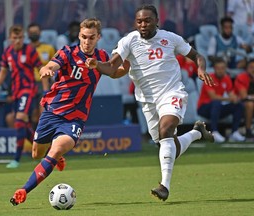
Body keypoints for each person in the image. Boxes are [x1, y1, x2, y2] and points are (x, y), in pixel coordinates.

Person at [85, 4, 215, 201]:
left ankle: (164, 186)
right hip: (147, 101)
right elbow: (112, 68)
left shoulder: (170, 38)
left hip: (172, 92)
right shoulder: (129, 41)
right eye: (139, 21)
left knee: (166, 132)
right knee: (167, 144)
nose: (143, 24)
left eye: (147, 20)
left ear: (156, 21)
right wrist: (97, 65)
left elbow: (197, 56)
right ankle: (197, 133)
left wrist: (201, 68)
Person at [9, 18, 109, 206]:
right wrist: (47, 70)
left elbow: (115, 70)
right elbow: (51, 65)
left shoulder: (102, 57)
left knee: (54, 151)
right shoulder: (68, 52)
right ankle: (55, 157)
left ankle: (24, 189)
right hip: (53, 111)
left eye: (92, 38)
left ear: (98, 38)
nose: (87, 42)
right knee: (37, 154)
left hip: (75, 118)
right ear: (79, 36)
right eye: (84, 37)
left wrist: (127, 66)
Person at [0, 24, 42, 168]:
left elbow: (41, 69)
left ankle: (17, 159)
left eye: (20, 38)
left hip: (28, 90)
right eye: (15, 38)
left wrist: (47, 90)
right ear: (10, 39)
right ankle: (46, 151)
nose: (17, 41)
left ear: (23, 38)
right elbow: (3, 72)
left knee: (19, 120)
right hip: (16, 92)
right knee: (24, 124)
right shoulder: (7, 53)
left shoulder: (29, 50)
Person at [197, 57, 245, 143]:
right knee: (216, 102)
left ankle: (234, 132)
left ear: (226, 69)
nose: (220, 70)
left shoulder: (227, 78)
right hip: (204, 108)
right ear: (214, 69)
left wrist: (235, 98)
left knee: (238, 105)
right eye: (218, 68)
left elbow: (231, 94)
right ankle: (214, 132)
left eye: (222, 68)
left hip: (217, 108)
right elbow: (213, 97)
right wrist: (230, 98)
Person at [27, 23, 56, 128]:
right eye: (31, 33)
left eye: (36, 32)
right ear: (28, 34)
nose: (34, 34)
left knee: (42, 113)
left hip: (44, 82)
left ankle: (43, 138)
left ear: (40, 33)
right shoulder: (25, 50)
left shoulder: (49, 48)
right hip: (29, 83)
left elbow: (55, 65)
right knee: (32, 115)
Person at [234, 59, 254, 139]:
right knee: (250, 104)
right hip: (240, 103)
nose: (253, 69)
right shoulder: (241, 77)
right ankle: (248, 130)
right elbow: (244, 96)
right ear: (247, 69)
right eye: (251, 67)